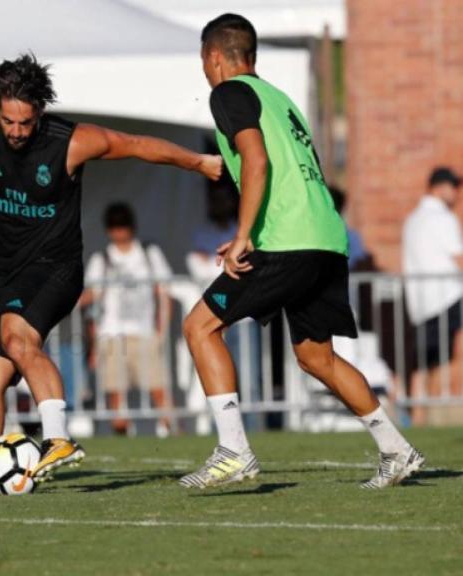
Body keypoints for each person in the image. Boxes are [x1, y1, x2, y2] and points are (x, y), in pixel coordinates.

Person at [0, 53, 222, 496]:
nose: (18, 131)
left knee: (16, 337)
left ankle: (58, 437)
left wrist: (198, 162)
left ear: (39, 112)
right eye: (10, 121)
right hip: (9, 276)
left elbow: (137, 144)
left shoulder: (71, 141)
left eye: (26, 122)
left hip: (57, 270)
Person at [180, 13, 423, 489]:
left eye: (204, 62)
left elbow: (257, 160)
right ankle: (397, 449)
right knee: (316, 357)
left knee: (200, 327)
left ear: (214, 57)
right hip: (327, 240)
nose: (205, 72)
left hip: (287, 241)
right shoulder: (280, 99)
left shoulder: (228, 93)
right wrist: (251, 228)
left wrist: (246, 233)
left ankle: (234, 451)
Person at [81, 203, 173, 437]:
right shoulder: (101, 259)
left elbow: (164, 293)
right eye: (115, 228)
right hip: (111, 334)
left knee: (158, 388)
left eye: (123, 227)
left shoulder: (149, 253)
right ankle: (122, 434)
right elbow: (92, 301)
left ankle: (171, 430)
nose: (119, 233)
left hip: (145, 331)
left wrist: (162, 330)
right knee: (115, 392)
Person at [402, 167, 463, 426]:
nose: (455, 193)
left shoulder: (413, 219)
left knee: (425, 362)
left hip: (421, 302)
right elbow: (459, 257)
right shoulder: (443, 218)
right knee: (447, 356)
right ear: (438, 187)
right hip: (448, 296)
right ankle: (439, 411)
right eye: (452, 187)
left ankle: (419, 417)